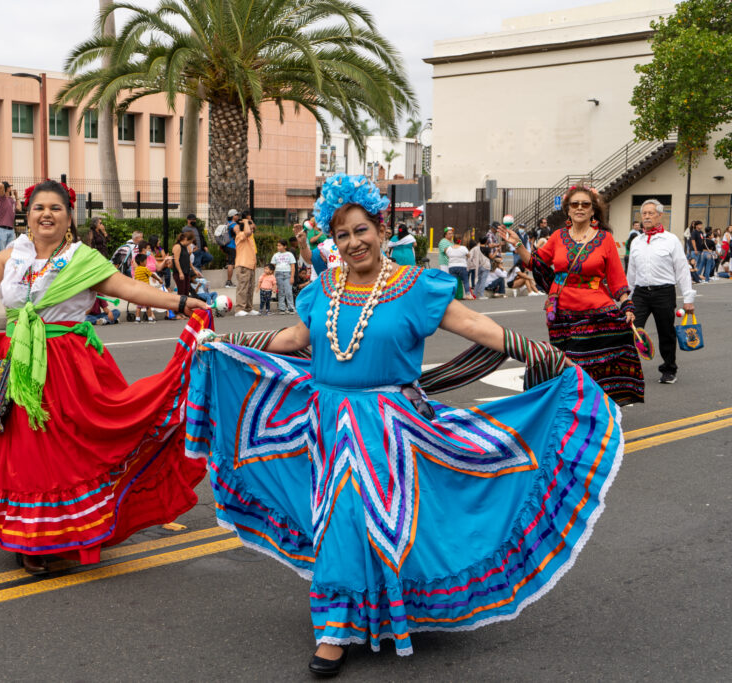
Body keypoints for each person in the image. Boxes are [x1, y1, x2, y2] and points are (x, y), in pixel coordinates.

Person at [188, 174, 622, 676]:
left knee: (358, 517)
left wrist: (540, 352)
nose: (353, 243)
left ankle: (337, 627)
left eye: (361, 230)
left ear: (382, 227)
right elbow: (293, 339)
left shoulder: (415, 286)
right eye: (342, 235)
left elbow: (476, 326)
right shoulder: (323, 288)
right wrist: (229, 343)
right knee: (340, 522)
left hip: (388, 426)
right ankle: (342, 621)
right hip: (324, 422)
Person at [0, 179, 209, 574]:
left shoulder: (84, 259)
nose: (45, 214)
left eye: (55, 207)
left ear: (69, 217)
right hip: (16, 363)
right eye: (38, 208)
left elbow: (130, 290)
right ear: (27, 215)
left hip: (68, 369)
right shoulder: (14, 254)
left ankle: (60, 534)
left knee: (66, 456)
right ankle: (33, 536)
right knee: (23, 453)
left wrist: (183, 302)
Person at [499, 185, 643, 405]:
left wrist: (627, 305)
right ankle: (574, 408)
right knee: (568, 365)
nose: (579, 208)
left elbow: (616, 278)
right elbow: (535, 263)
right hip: (562, 313)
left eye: (585, 204)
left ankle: (599, 407)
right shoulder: (557, 237)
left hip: (596, 311)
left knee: (594, 365)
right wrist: (518, 244)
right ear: (567, 210)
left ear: (593, 210)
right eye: (575, 204)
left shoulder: (605, 239)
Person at [626, 198, 695, 385]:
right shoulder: (636, 242)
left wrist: (688, 298)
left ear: (660, 215)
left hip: (663, 292)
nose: (646, 217)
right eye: (644, 214)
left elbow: (682, 270)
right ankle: (630, 369)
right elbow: (631, 272)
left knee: (666, 332)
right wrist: (626, 299)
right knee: (630, 330)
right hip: (640, 293)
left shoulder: (671, 240)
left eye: (650, 213)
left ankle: (669, 369)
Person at [233, 213, 258, 317]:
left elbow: (251, 229)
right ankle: (239, 308)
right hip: (243, 265)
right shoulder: (240, 236)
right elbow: (247, 231)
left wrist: (248, 221)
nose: (252, 230)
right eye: (249, 227)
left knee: (250, 288)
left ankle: (248, 308)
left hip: (250, 266)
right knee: (243, 288)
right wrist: (245, 221)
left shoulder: (250, 238)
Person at [132, 253, 162, 323]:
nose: (146, 263)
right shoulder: (145, 269)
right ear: (141, 262)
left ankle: (137, 319)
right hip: (145, 290)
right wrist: (159, 280)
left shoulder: (136, 270)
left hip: (139, 290)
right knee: (148, 305)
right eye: (145, 261)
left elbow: (135, 279)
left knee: (138, 306)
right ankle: (150, 319)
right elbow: (152, 275)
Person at [270, 238, 296, 314]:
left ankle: (291, 308)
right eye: (277, 246)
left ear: (285, 246)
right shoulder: (275, 255)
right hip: (278, 274)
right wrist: (272, 277)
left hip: (287, 274)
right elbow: (272, 267)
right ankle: (282, 308)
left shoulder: (289, 254)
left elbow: (293, 267)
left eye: (280, 246)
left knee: (288, 291)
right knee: (281, 292)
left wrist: (292, 277)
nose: (278, 247)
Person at [0, 181, 22, 252]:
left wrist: (16, 196)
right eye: (9, 186)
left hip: (11, 229)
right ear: (7, 188)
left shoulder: (11, 199)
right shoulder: (2, 198)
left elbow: (19, 208)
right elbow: (0, 186)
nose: (11, 188)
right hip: (1, 229)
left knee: (10, 253)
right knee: (2, 252)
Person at [172, 231, 193, 302]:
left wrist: (194, 270)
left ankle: (184, 309)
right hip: (179, 273)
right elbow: (176, 260)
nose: (190, 244)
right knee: (181, 293)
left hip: (186, 272)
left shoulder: (185, 247)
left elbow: (187, 259)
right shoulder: (177, 246)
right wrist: (180, 272)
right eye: (190, 242)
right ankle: (178, 310)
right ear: (186, 239)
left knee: (186, 292)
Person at [222, 209, 239, 287]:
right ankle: (228, 282)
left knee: (230, 262)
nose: (238, 216)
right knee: (231, 264)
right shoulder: (234, 225)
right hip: (232, 246)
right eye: (236, 215)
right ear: (233, 216)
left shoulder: (227, 223)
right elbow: (238, 235)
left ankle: (226, 264)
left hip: (226, 245)